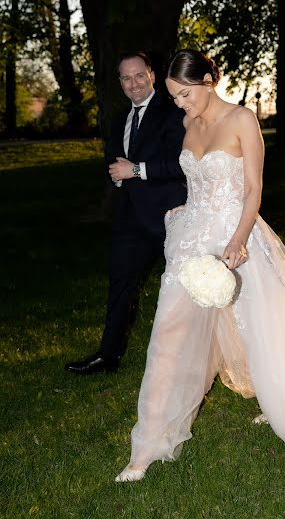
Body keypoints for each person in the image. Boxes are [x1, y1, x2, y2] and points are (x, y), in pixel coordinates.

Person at [115, 49, 285, 481]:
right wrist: (184, 210)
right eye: (174, 96)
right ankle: (148, 445)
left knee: (263, 328)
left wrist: (238, 240)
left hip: (235, 238)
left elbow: (253, 190)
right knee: (168, 335)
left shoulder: (242, 120)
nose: (180, 104)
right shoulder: (187, 122)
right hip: (189, 242)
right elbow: (197, 181)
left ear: (207, 80)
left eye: (184, 94)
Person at [65, 52, 187, 375]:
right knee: (120, 285)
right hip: (129, 218)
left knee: (187, 285)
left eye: (138, 75)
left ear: (152, 75)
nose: (132, 83)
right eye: (125, 78)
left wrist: (135, 170)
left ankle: (194, 356)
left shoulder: (173, 112)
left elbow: (182, 164)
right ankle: (108, 356)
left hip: (170, 215)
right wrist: (118, 176)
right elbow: (112, 163)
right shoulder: (119, 118)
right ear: (120, 82)